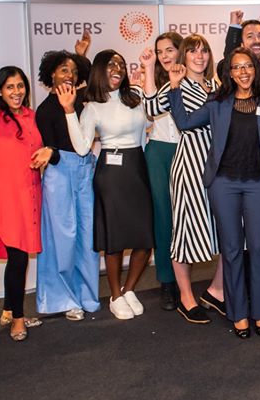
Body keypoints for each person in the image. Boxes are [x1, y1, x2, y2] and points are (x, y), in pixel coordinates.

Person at [167, 47, 260, 338]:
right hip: (224, 185)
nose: (243, 72)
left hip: (259, 184)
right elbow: (184, 123)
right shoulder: (217, 103)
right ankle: (237, 313)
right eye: (237, 67)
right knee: (232, 250)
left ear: (256, 70)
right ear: (230, 73)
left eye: (248, 66)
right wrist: (174, 88)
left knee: (259, 248)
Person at [61, 50, 152, 320]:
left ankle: (129, 288)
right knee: (114, 240)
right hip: (111, 176)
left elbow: (147, 126)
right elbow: (80, 147)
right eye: (111, 64)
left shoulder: (135, 97)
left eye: (121, 64)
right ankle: (114, 294)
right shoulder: (92, 106)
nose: (118, 69)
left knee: (144, 238)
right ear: (100, 69)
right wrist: (69, 111)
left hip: (137, 168)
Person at [141, 35, 225, 324]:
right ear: (184, 57)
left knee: (227, 231)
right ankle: (186, 297)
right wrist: (153, 71)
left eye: (203, 51)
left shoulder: (217, 85)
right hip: (189, 166)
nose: (199, 57)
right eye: (192, 52)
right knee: (185, 232)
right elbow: (151, 109)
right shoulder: (176, 84)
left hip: (218, 167)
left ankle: (216, 290)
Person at [0, 66, 51, 341]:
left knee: (18, 257)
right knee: (18, 256)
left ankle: (9, 308)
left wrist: (49, 152)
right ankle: (18, 320)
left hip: (32, 191)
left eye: (20, 86)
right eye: (10, 86)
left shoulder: (32, 116)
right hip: (9, 195)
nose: (16, 91)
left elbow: (47, 144)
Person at [33, 49, 101, 322]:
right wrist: (52, 153)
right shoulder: (45, 109)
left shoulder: (84, 102)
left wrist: (80, 55)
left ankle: (87, 296)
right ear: (51, 74)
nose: (69, 75)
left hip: (86, 172)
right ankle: (63, 299)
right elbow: (51, 146)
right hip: (59, 174)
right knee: (62, 238)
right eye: (63, 70)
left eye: (73, 71)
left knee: (88, 237)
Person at [138, 32, 183, 311]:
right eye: (160, 52)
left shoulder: (193, 79)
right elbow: (151, 109)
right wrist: (148, 69)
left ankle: (185, 276)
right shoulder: (152, 81)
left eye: (169, 50)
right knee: (163, 217)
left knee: (185, 216)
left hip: (186, 151)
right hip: (158, 152)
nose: (165, 56)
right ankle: (167, 281)